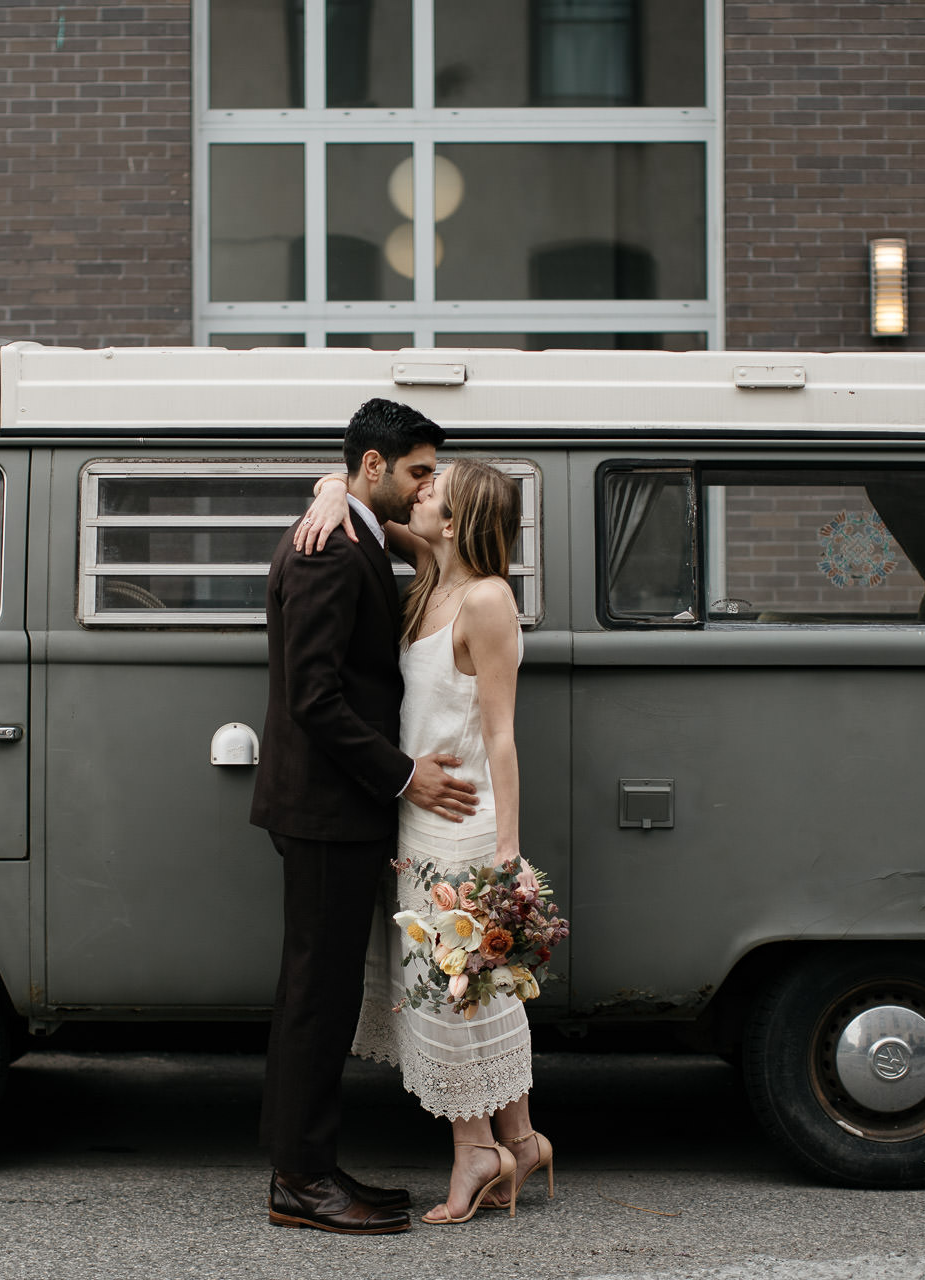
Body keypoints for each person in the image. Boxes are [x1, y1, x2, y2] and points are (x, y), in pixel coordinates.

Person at [298, 457, 554, 1227]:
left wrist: (509, 851)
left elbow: (503, 734)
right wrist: (333, 487)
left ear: (460, 517)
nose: (420, 493)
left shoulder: (485, 599)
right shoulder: (429, 572)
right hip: (418, 820)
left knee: (450, 995)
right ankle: (522, 1140)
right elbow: (374, 511)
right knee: (462, 990)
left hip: (465, 827)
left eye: (434, 491)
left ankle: (475, 1153)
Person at [251, 398, 479, 1236]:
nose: (428, 489)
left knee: (324, 989)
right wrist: (404, 776)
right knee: (316, 994)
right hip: (326, 807)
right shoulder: (327, 553)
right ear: (375, 467)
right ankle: (300, 1181)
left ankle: (310, 1167)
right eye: (419, 472)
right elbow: (314, 697)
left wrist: (328, 487)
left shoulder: (351, 530)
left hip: (333, 807)